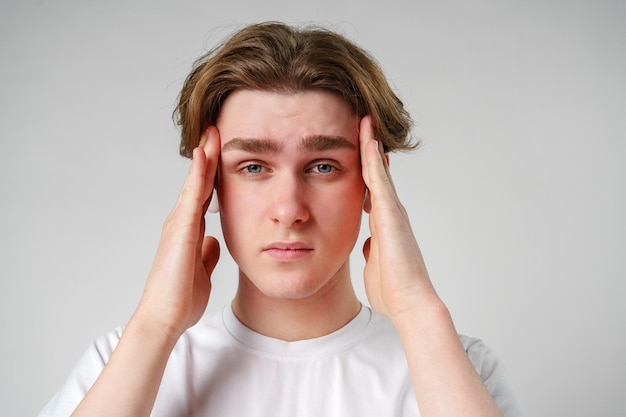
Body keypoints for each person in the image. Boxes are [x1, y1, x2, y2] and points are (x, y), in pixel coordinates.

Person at [38, 22, 521, 417]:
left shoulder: (457, 367)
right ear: (208, 186)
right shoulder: (121, 362)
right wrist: (155, 326)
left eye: (323, 167)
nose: (289, 210)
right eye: (253, 167)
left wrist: (418, 312)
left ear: (375, 185)